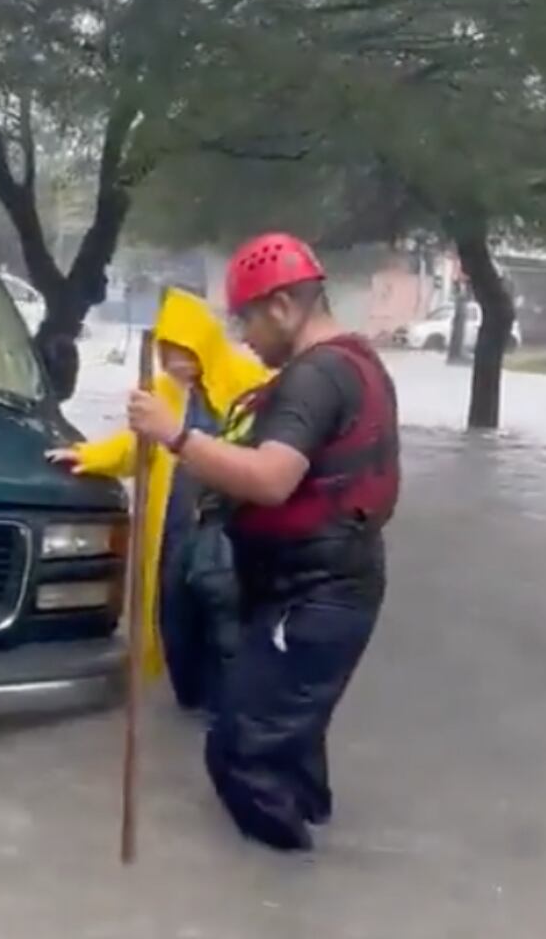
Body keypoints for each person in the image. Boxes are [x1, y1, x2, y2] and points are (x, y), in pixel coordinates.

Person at [124, 232, 399, 852]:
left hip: (316, 596)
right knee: (287, 736)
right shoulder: (352, 362)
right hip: (313, 588)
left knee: (239, 748)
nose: (243, 337)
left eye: (247, 318)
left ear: (281, 306)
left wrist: (174, 436)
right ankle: (304, 833)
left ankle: (282, 882)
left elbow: (273, 481)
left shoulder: (317, 377)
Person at [49, 287, 270, 710]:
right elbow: (136, 447)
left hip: (227, 525)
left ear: (202, 342)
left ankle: (234, 704)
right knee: (174, 613)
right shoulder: (166, 393)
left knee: (226, 612)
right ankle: (193, 694)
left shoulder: (247, 382)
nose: (172, 359)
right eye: (166, 350)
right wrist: (85, 456)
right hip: (175, 528)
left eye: (180, 348)